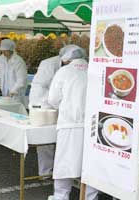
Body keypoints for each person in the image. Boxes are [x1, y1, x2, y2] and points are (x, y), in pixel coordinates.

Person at [47, 45, 98, 200]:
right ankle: (90, 197)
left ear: (66, 58)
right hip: (93, 126)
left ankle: (61, 196)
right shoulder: (94, 70)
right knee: (90, 165)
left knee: (64, 163)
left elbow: (53, 99)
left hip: (69, 123)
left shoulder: (64, 71)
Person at [29, 45, 77, 177]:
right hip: (41, 103)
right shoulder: (48, 64)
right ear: (65, 58)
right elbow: (41, 86)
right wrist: (54, 100)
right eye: (71, 61)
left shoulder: (68, 67)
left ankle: (60, 169)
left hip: (57, 103)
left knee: (59, 136)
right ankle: (45, 172)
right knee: (45, 139)